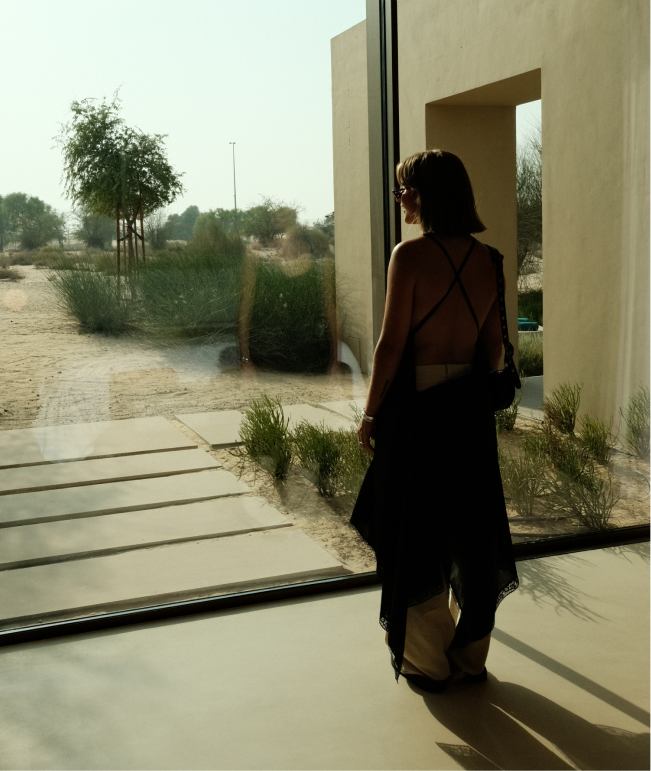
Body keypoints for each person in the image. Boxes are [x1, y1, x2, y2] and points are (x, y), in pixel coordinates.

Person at [351, 149, 519, 693]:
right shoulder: (487, 258)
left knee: (414, 531)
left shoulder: (410, 256)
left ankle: (428, 660)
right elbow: (493, 349)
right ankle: (471, 657)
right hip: (468, 415)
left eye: (405, 190)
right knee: (472, 530)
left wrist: (371, 412)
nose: (400, 198)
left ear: (427, 197)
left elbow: (391, 344)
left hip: (419, 413)